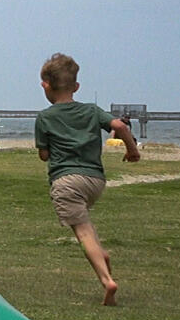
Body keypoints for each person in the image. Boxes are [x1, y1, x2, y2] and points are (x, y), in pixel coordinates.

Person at [34, 52, 139, 305]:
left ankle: (106, 280)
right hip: (95, 181)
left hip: (66, 181)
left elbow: (44, 155)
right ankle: (101, 254)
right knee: (86, 224)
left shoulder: (45, 118)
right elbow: (121, 126)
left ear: (45, 86)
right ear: (76, 86)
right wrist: (132, 150)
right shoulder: (92, 111)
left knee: (81, 232)